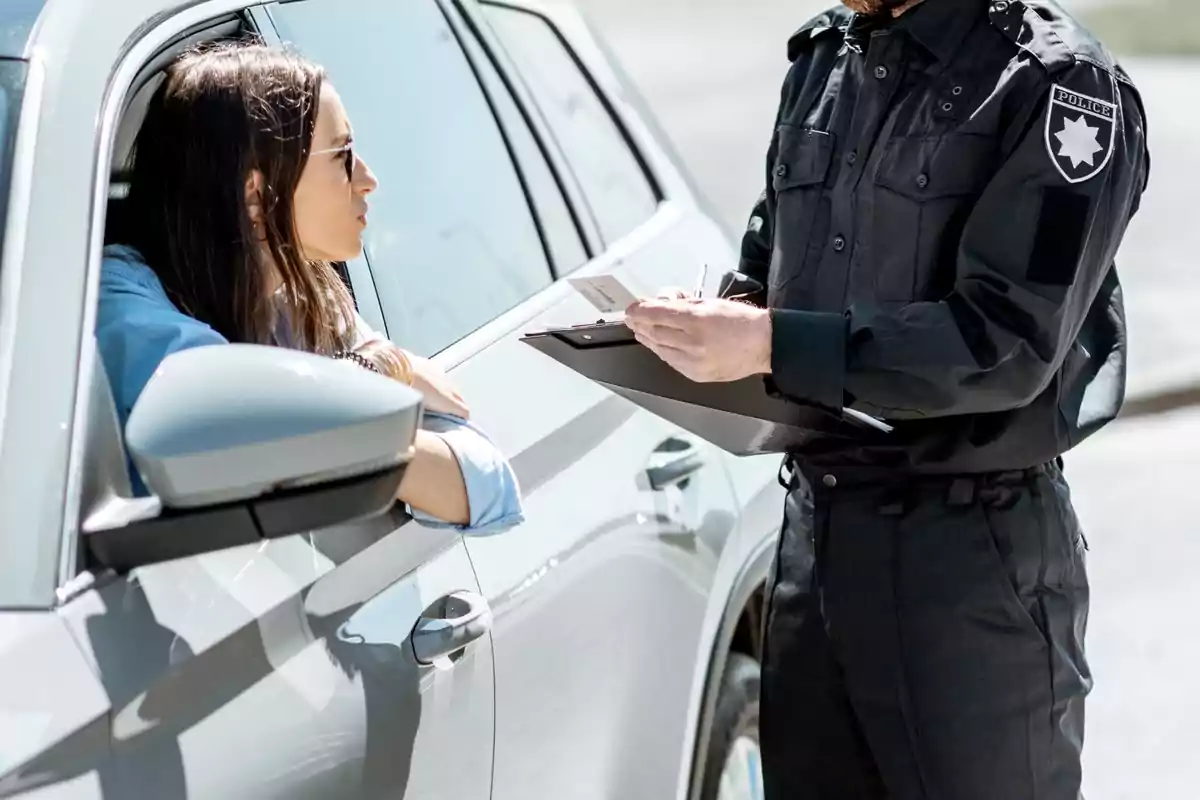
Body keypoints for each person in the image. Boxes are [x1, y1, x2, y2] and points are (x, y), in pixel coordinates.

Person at [625, 0, 1149, 798]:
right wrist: (712, 321)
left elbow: (1006, 344)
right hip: (816, 553)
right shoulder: (822, 60)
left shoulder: (1059, 87)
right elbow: (772, 268)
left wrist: (770, 343)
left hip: (970, 570)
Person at [97, 42, 523, 534]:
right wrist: (384, 369)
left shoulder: (302, 293)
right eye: (342, 156)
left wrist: (350, 403)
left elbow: (488, 489)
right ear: (257, 195)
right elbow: (244, 416)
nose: (368, 179)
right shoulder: (122, 307)